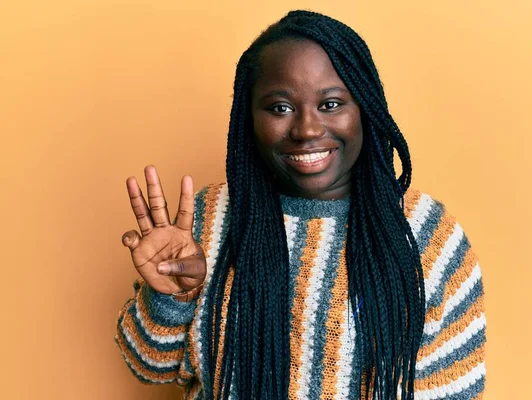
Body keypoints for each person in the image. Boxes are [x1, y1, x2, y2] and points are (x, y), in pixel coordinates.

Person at [115, 10, 486, 400]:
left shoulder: (425, 234)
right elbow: (149, 367)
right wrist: (171, 297)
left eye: (330, 104)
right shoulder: (210, 217)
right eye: (280, 107)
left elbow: (454, 391)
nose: (306, 129)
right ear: (248, 118)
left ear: (365, 109)